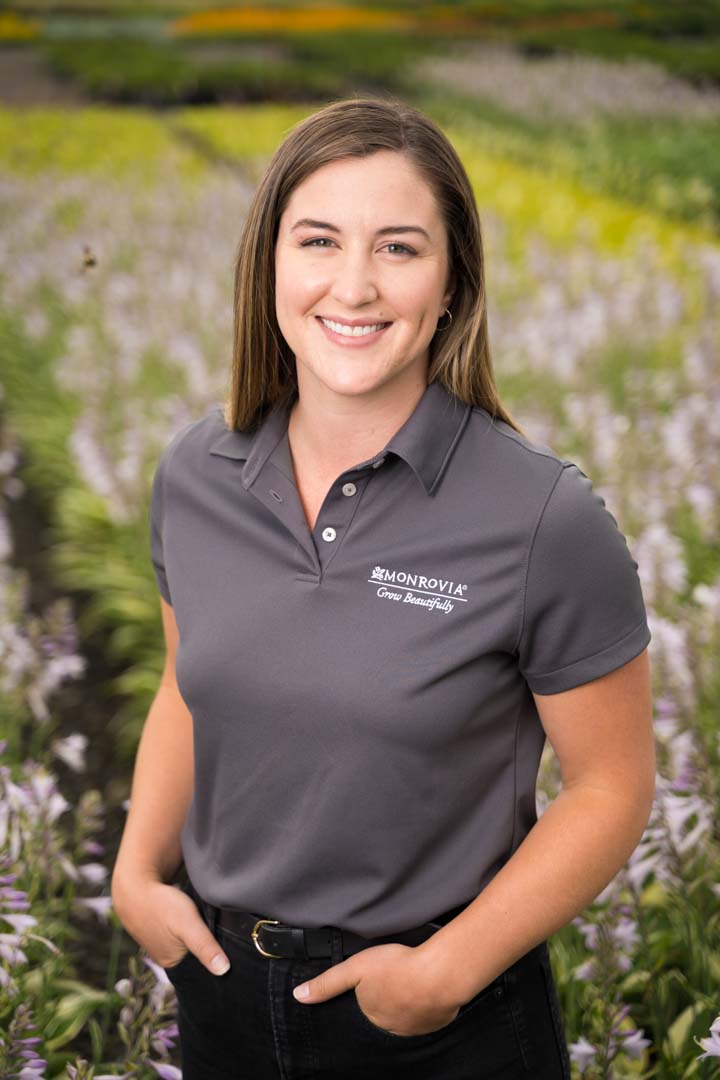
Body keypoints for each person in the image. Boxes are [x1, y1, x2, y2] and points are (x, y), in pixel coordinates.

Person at [111, 96, 655, 1079]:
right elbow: (188, 682)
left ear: (451, 284)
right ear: (268, 266)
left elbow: (613, 786)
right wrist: (135, 876)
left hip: (437, 1023)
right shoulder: (195, 473)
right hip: (222, 998)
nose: (353, 287)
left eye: (399, 249)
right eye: (318, 240)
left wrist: (442, 976)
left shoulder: (542, 517)